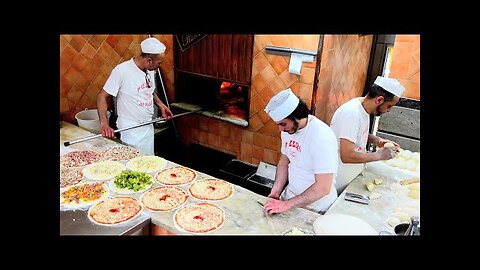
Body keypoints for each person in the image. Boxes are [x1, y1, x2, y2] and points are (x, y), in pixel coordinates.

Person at [263, 88, 339, 215]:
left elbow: (323, 188)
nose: (280, 129)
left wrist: (287, 204)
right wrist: (276, 191)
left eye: (283, 124)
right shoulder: (288, 130)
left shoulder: (321, 137)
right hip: (291, 198)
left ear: (296, 117)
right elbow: (284, 162)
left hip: (316, 207)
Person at [97, 37, 173, 155]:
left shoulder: (150, 70)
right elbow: (102, 96)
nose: (159, 66)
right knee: (134, 162)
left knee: (148, 161)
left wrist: (161, 105)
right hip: (130, 130)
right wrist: (104, 123)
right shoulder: (122, 71)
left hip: (147, 125)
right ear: (149, 60)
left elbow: (149, 90)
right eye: (159, 63)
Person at [329, 76, 405, 194]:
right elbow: (346, 156)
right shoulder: (351, 113)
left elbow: (354, 133)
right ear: (379, 100)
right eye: (389, 106)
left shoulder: (362, 107)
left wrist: (376, 140)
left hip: (351, 177)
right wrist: (379, 156)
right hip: (338, 180)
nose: (388, 110)